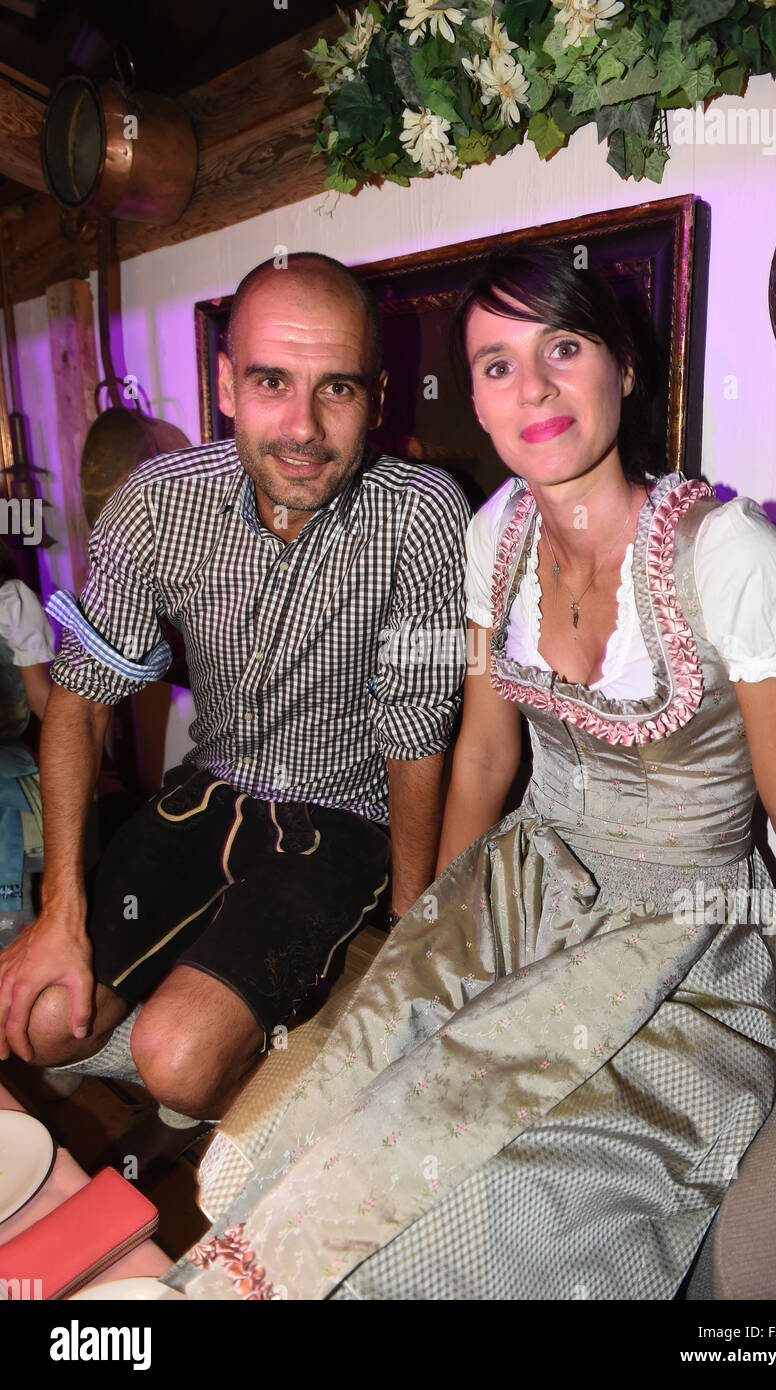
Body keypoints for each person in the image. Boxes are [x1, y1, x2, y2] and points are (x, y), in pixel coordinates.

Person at [169, 244, 776, 1302]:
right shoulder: (493, 531)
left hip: (684, 952)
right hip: (519, 892)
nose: (530, 386)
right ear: (475, 400)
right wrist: (426, 933)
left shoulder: (735, 567)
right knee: (273, 1141)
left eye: (563, 347)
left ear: (622, 368)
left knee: (462, 1232)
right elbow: (488, 753)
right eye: (494, 364)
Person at [0, 252, 471, 1123]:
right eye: (269, 381)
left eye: (335, 388)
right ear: (224, 385)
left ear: (376, 392)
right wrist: (58, 909)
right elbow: (79, 697)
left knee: (175, 1064)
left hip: (344, 818)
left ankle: (232, 1046)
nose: (301, 426)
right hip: (207, 791)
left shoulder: (424, 510)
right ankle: (191, 1004)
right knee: (37, 1026)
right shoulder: (155, 499)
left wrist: (413, 923)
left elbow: (416, 730)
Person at [0, 542, 54, 945]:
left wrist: (77, 763)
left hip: (3, 774)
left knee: (9, 925)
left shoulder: (9, 599)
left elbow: (39, 698)